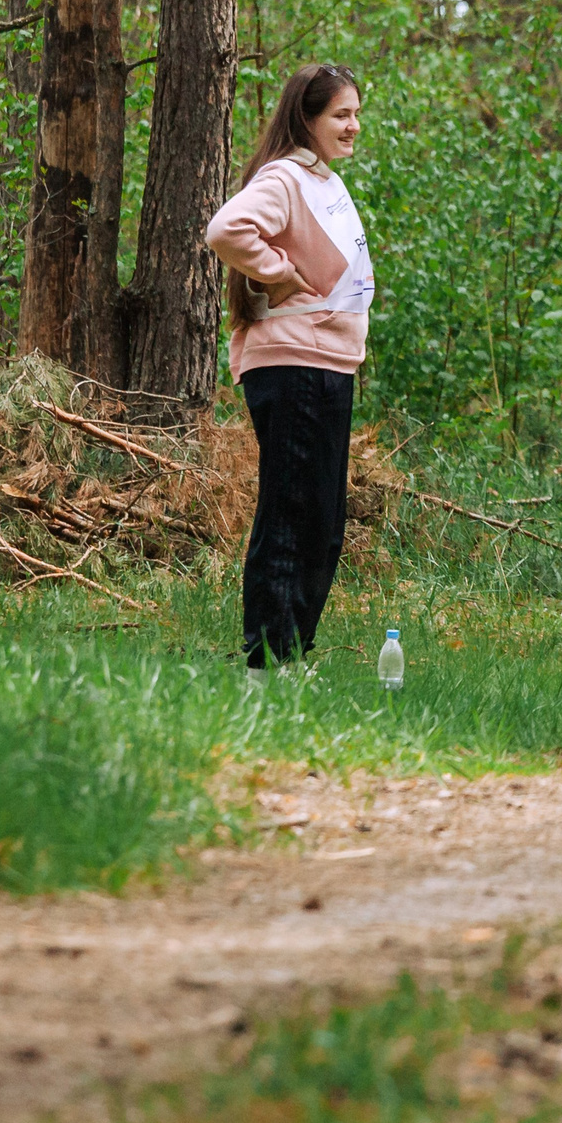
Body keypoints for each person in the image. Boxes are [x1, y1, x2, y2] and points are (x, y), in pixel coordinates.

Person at [205, 65, 374, 688]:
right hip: (293, 362)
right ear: (306, 118)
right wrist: (275, 273)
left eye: (356, 114)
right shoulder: (284, 178)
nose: (353, 126)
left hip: (327, 364)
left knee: (324, 521)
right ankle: (265, 665)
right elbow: (225, 230)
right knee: (291, 512)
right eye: (340, 115)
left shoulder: (321, 181)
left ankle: (290, 656)